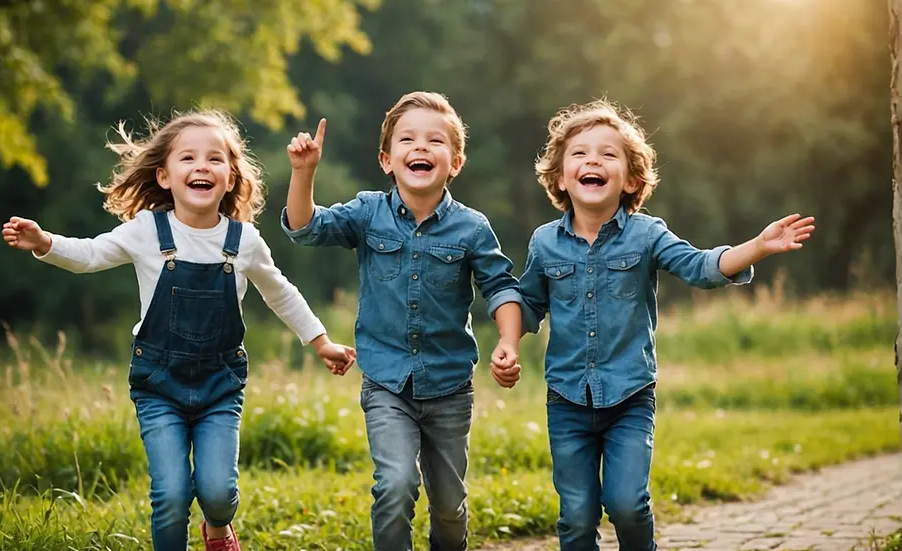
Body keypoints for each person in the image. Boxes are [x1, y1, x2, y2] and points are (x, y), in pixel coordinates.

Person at [1, 108, 356, 551]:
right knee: (170, 496)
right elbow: (90, 254)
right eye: (188, 158)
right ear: (164, 176)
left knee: (218, 495)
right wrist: (45, 243)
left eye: (214, 159)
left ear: (230, 178)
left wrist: (321, 341)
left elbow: (280, 293)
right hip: (158, 385)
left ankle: (218, 526)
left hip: (219, 385)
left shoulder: (243, 241)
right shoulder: (147, 231)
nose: (201, 166)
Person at [498, 99, 814, 551]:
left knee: (627, 504)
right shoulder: (545, 242)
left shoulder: (647, 234)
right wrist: (507, 343)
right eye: (580, 153)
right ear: (561, 177)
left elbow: (701, 267)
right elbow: (528, 304)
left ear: (630, 179)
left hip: (630, 396)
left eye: (608, 154)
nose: (593, 161)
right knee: (576, 515)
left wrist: (758, 247)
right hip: (567, 399)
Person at [281, 91, 523, 551]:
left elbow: (502, 288)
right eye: (407, 139)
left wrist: (508, 342)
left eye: (435, 140)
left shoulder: (472, 228)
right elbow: (306, 228)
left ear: (455, 162)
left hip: (450, 386)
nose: (420, 147)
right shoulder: (368, 213)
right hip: (387, 383)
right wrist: (304, 172)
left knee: (449, 506)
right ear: (386, 160)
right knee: (395, 484)